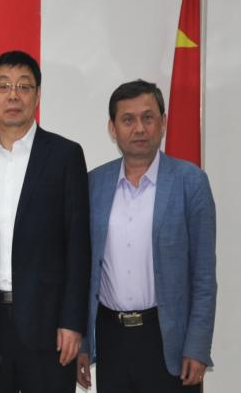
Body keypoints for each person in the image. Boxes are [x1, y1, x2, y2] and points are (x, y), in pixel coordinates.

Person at [0, 50, 90, 392]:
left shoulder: (64, 156)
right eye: (4, 86)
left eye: (23, 86)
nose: (13, 95)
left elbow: (78, 246)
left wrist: (73, 322)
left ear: (37, 95)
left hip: (49, 327)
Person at [76, 80, 216, 392]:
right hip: (112, 339)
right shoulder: (93, 184)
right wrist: (83, 342)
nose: (139, 128)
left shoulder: (190, 182)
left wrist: (197, 346)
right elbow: (83, 271)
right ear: (113, 128)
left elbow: (204, 276)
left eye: (148, 117)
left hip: (169, 341)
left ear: (162, 122)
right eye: (128, 119)